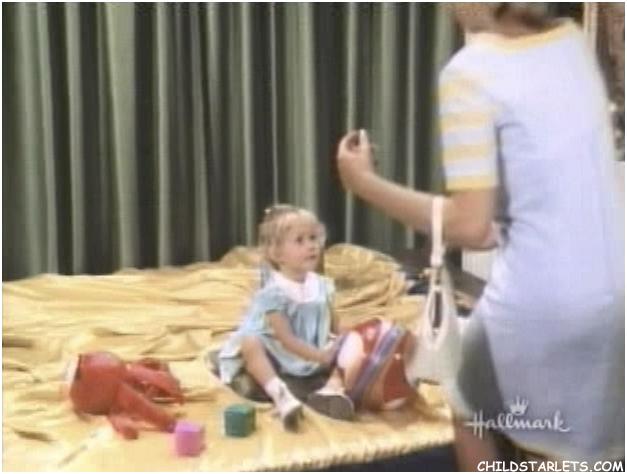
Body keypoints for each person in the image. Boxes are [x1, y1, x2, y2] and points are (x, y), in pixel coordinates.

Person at [336, 3, 624, 468]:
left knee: (467, 402)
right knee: (576, 446)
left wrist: (364, 183)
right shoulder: (571, 43)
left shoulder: (471, 72)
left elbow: (469, 228)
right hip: (611, 295)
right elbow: (551, 189)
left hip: (543, 303)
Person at [218, 204, 347, 431]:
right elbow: (285, 339)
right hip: (279, 349)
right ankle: (280, 393)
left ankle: (333, 389)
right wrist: (320, 356)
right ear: (277, 254)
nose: (311, 246)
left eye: (313, 238)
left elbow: (335, 323)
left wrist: (344, 340)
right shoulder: (274, 292)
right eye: (300, 240)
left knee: (352, 347)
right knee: (250, 343)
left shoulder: (322, 285)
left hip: (312, 349)